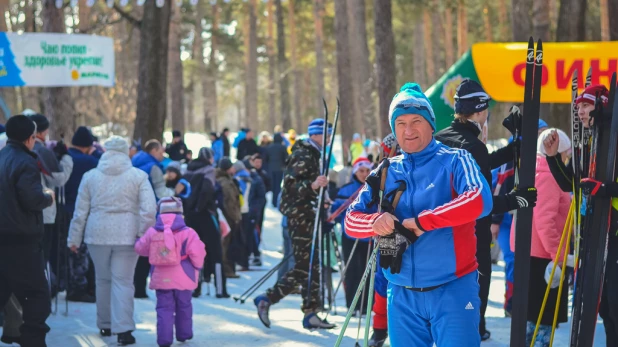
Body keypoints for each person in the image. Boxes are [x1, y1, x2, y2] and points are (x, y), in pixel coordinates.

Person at [344, 83, 494, 346]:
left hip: (454, 288)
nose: (408, 130)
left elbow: (480, 200)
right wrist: (375, 222)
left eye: (416, 121)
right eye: (400, 123)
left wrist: (424, 221)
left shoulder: (456, 160)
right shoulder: (386, 170)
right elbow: (350, 219)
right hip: (402, 296)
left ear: (431, 124)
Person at [434, 78, 538, 341]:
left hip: (438, 237)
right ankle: (474, 330)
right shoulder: (473, 146)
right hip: (470, 239)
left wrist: (510, 151)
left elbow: (477, 167)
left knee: (446, 306)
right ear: (479, 111)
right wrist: (517, 200)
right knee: (472, 301)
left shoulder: (441, 139)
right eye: (486, 110)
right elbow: (480, 203)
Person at [543, 84, 618, 346]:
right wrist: (553, 159)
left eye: (585, 106)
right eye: (578, 108)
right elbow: (570, 184)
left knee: (614, 303)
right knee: (605, 308)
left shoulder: (614, 139)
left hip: (614, 234)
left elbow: (602, 187)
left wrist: (605, 189)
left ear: (602, 104)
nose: (581, 113)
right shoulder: (587, 141)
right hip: (593, 234)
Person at [67, 136, 157, 345]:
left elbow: (80, 211)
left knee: (102, 279)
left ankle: (105, 323)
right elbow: (149, 209)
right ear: (126, 151)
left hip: (97, 233)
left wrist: (74, 238)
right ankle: (124, 329)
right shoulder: (138, 176)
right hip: (128, 234)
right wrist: (143, 232)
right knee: (124, 281)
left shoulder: (90, 176)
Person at [254, 118, 336, 330]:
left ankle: (311, 313)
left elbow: (309, 188)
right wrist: (313, 185)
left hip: (310, 214)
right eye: (326, 133)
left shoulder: (314, 154)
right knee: (303, 267)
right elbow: (291, 188)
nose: (329, 137)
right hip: (300, 217)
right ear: (316, 134)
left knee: (313, 265)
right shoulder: (303, 154)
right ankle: (267, 298)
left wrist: (322, 196)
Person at [511, 128, 572, 347]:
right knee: (541, 321)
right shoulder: (549, 177)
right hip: (544, 259)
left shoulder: (534, 172)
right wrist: (559, 257)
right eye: (567, 155)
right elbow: (545, 221)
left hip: (534, 254)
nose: (567, 161)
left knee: (531, 320)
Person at [0, 115, 55, 347]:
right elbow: (31, 199)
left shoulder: (3, 157)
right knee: (37, 294)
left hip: (5, 236)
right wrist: (48, 196)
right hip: (21, 239)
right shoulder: (25, 161)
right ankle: (33, 341)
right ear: (29, 139)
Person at [134, 197, 206, 347]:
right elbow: (198, 253)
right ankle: (184, 334)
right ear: (180, 214)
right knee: (184, 305)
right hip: (184, 276)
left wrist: (140, 241)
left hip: (161, 277)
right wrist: (197, 267)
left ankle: (164, 339)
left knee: (164, 308)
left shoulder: (153, 231)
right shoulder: (188, 232)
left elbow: (140, 249)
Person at [133, 139, 185, 298]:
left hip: (132, 211)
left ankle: (136, 285)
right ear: (154, 151)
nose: (163, 154)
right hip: (148, 211)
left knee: (136, 250)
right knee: (147, 251)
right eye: (161, 151)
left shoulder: (134, 161)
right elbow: (160, 192)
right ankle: (141, 288)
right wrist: (175, 192)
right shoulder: (153, 167)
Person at [27, 112, 74, 265]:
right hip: (43, 211)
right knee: (42, 258)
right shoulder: (41, 151)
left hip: (20, 213)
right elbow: (59, 178)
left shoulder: (12, 149)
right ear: (40, 132)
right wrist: (66, 158)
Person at [183, 148, 229, 298]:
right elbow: (207, 190)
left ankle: (195, 287)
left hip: (190, 215)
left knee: (195, 251)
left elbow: (183, 191)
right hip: (206, 214)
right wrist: (201, 207)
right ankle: (220, 289)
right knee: (216, 251)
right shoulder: (209, 170)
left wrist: (190, 209)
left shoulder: (188, 169)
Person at [332, 157, 373, 312]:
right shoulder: (347, 189)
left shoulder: (375, 188)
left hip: (369, 236)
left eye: (367, 171)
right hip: (351, 236)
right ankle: (352, 304)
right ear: (356, 172)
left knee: (368, 271)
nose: (364, 174)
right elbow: (336, 211)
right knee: (352, 270)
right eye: (361, 171)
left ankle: (366, 305)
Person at [215, 157, 242, 279]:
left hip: (225, 216)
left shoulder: (224, 179)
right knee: (225, 245)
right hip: (227, 217)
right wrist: (235, 217)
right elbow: (230, 202)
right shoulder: (226, 182)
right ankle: (225, 269)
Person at [243, 154, 268, 267]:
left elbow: (261, 196)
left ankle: (255, 255)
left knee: (253, 233)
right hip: (247, 211)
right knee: (248, 233)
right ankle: (250, 254)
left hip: (254, 210)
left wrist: (255, 209)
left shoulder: (258, 177)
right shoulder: (247, 178)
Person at [265, 133, 289, 208]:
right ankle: (276, 202)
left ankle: (273, 201)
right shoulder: (282, 147)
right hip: (280, 168)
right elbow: (286, 158)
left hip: (271, 168)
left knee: (273, 185)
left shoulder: (269, 147)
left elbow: (266, 158)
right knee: (278, 186)